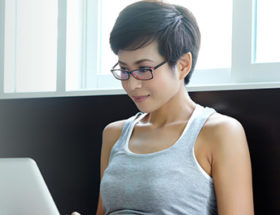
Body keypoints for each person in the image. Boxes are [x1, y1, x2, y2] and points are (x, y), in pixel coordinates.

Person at [74, 0, 254, 214]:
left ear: (182, 65)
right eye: (124, 69)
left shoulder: (220, 132)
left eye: (144, 69)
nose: (132, 84)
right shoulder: (114, 134)